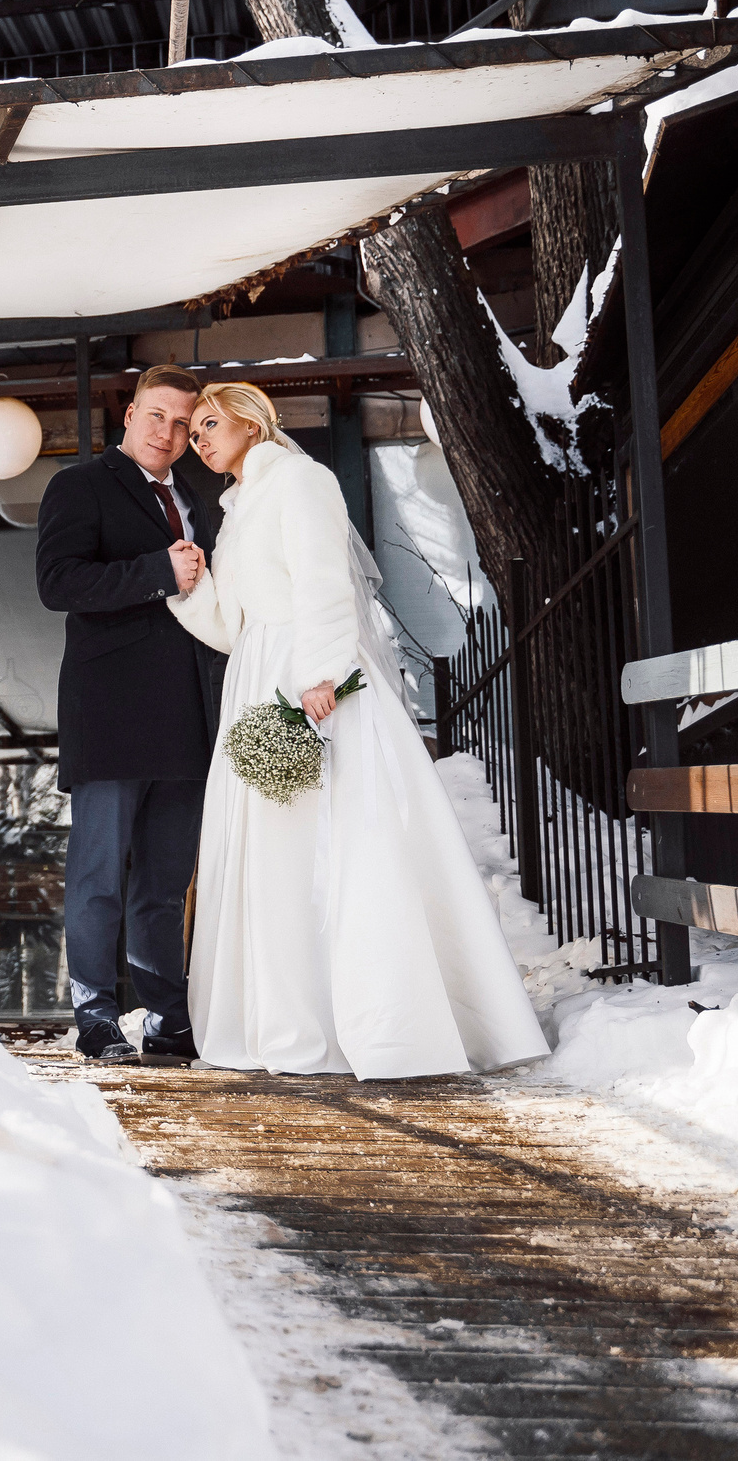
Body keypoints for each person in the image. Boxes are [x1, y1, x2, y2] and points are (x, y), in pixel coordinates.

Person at [167, 382, 548, 1078]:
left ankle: (373, 1019)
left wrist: (320, 672)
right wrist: (192, 588)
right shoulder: (236, 507)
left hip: (305, 671)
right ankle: (286, 1016)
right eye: (193, 434)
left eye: (210, 424)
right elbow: (231, 627)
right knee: (269, 850)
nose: (199, 440)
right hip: (254, 672)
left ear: (250, 420)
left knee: (337, 838)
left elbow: (324, 583)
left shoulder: (300, 480)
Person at [34, 363, 227, 1065]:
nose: (168, 433)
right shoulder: (80, 485)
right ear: (130, 414)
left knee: (164, 887)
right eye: (156, 415)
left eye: (182, 423)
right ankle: (95, 1017)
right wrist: (155, 572)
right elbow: (58, 583)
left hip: (189, 718)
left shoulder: (200, 499)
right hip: (112, 715)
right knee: (99, 879)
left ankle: (169, 1021)